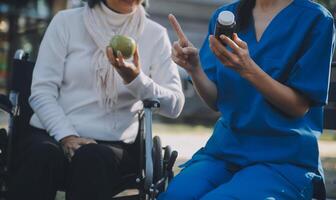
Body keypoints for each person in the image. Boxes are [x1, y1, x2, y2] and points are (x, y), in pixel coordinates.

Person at [8, 0, 184, 199]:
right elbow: (41, 91)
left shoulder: (155, 35)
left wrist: (135, 80)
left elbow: (175, 105)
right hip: (51, 131)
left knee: (92, 159)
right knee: (43, 156)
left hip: (112, 142)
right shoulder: (66, 22)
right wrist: (67, 135)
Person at [159, 0, 335, 199]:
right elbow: (215, 100)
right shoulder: (225, 16)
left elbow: (299, 107)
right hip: (225, 151)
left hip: (282, 159)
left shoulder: (316, 19)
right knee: (176, 195)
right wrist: (195, 68)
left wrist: (249, 69)